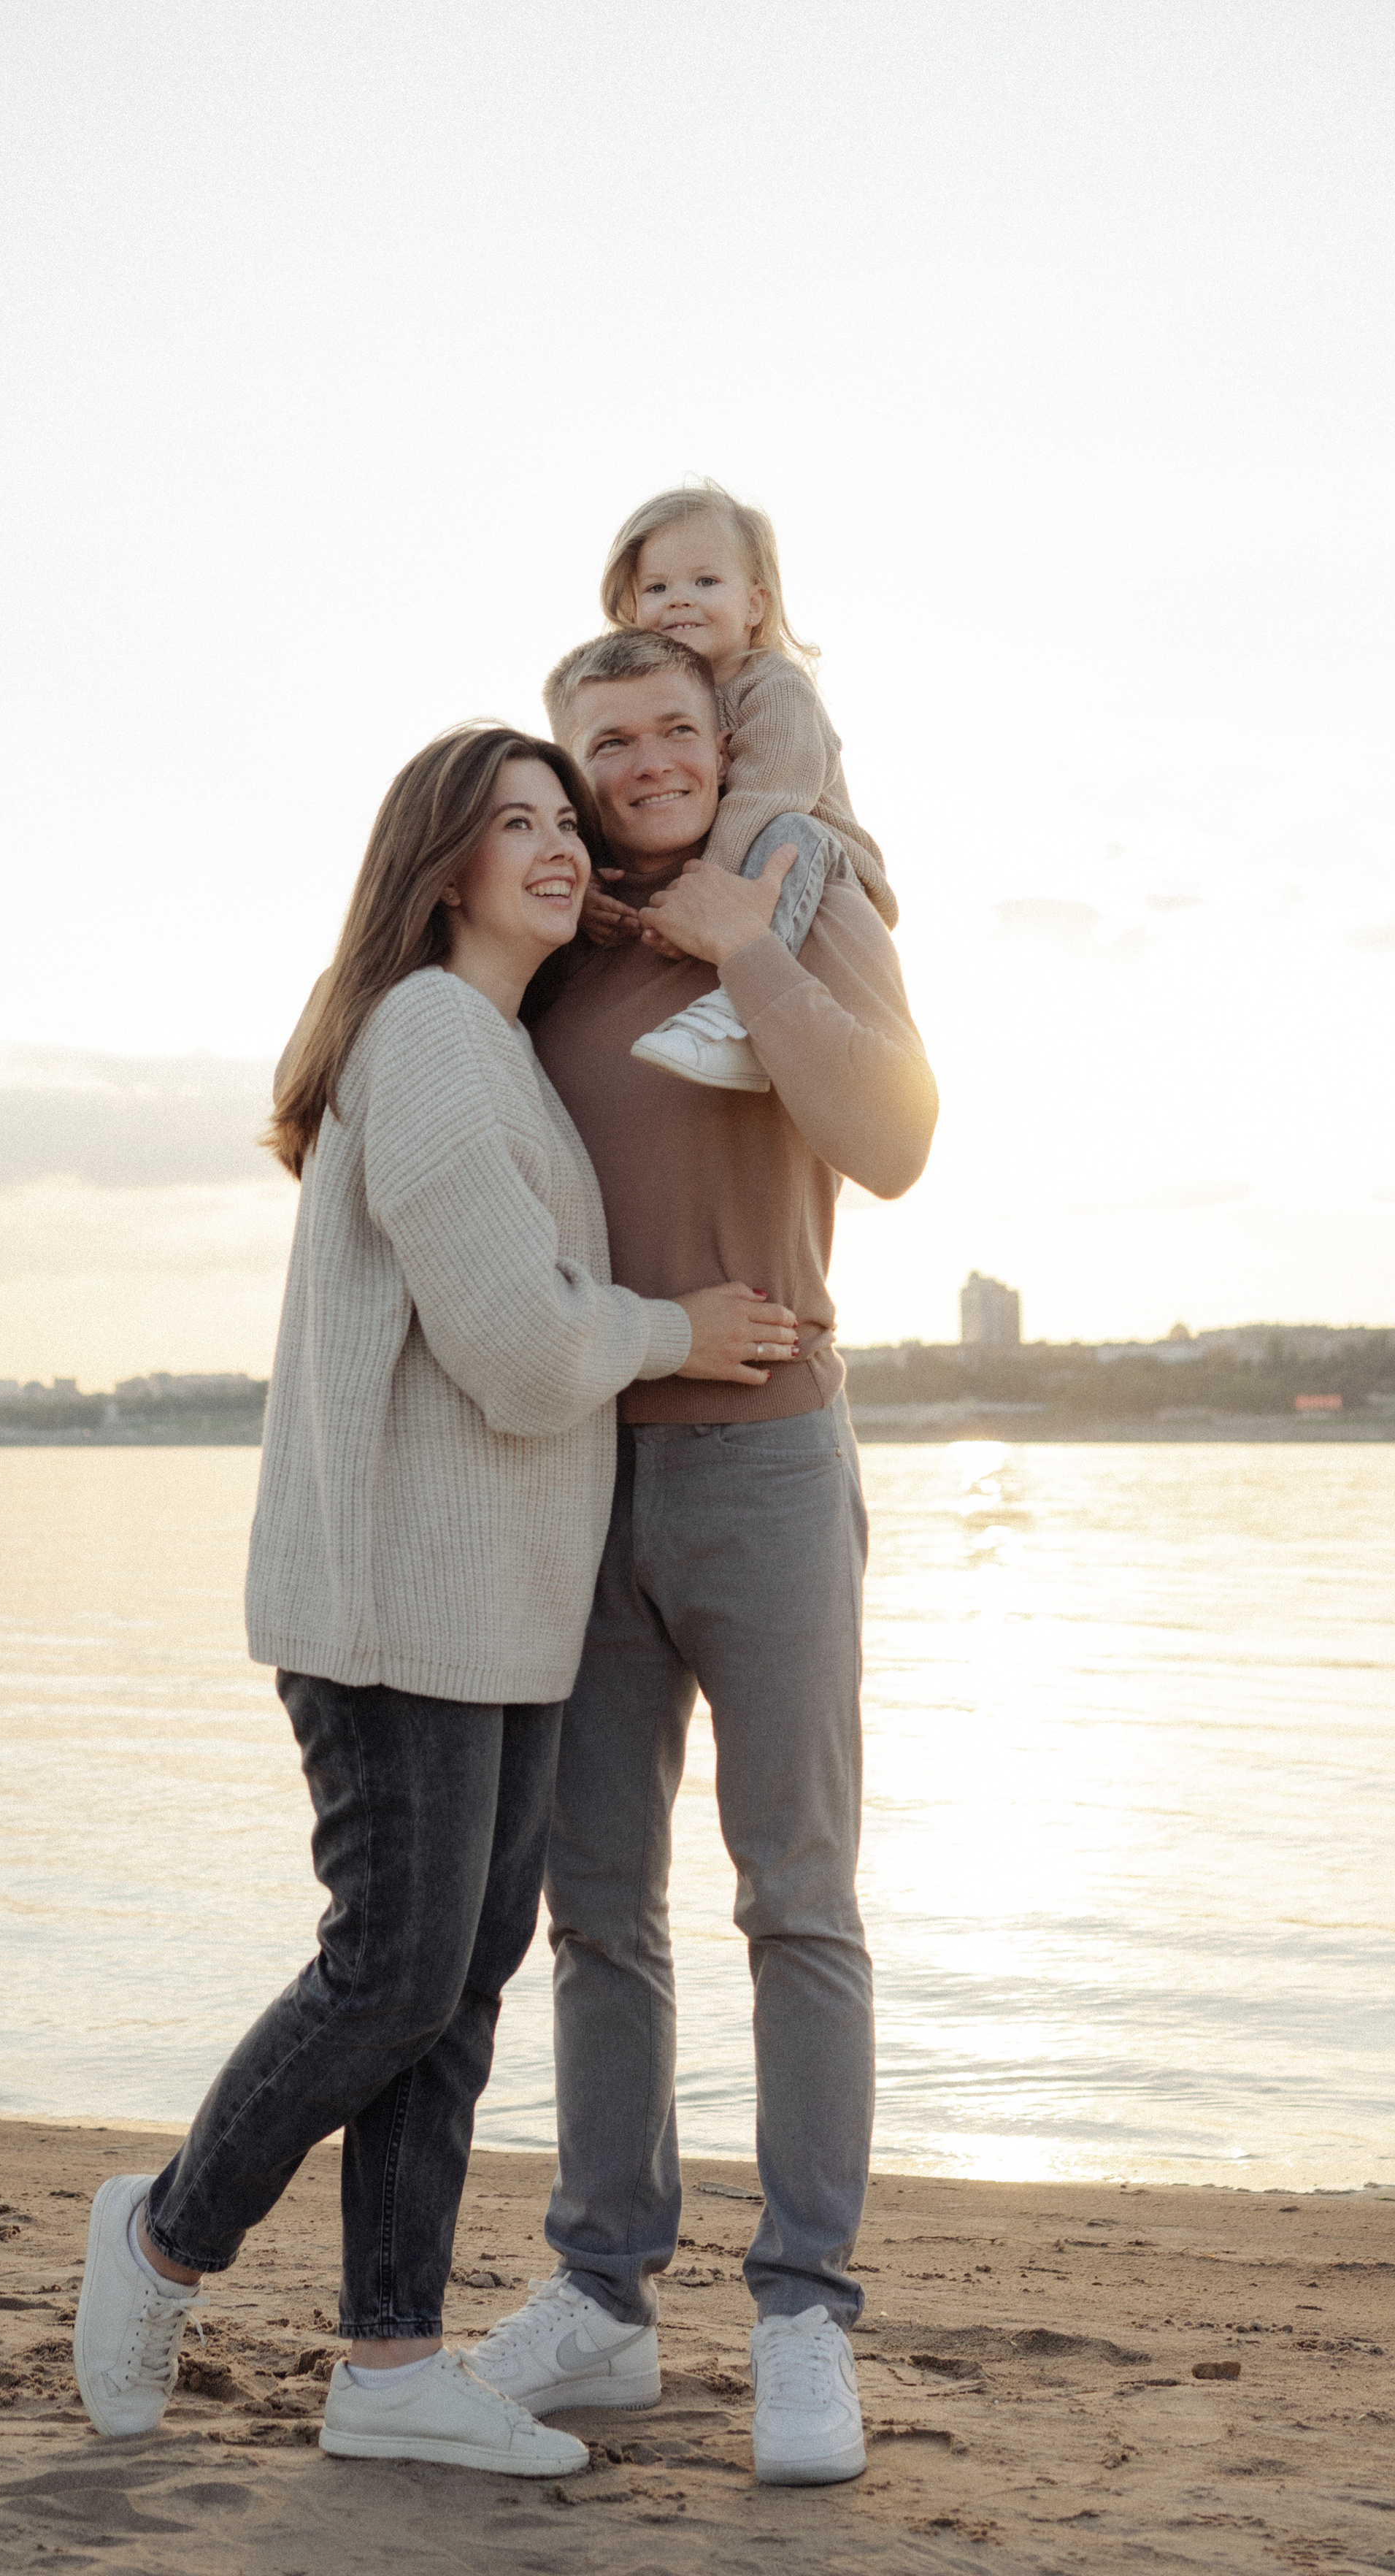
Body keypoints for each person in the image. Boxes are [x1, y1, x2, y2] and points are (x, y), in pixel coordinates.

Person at [71, 721, 800, 2477]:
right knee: (390, 1973)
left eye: (567, 820)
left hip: (499, 1615)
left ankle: (392, 2355)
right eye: (516, 824)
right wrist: (670, 1331)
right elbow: (517, 1340)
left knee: (456, 1984)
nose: (557, 845)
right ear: (440, 864)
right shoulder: (427, 1040)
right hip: (393, 1610)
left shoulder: (498, 1049)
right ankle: (162, 2229)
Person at [463, 633, 936, 2488]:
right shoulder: (552, 951)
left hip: (764, 1466)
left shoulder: (803, 893)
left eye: (674, 727)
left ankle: (805, 2311)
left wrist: (747, 938)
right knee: (597, 1911)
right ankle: (601, 2298)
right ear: (572, 768)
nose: (644, 757)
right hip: (577, 1477)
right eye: (609, 739)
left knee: (795, 1898)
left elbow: (893, 1140)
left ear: (715, 738)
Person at [582, 480, 898, 1094]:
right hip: (731, 869)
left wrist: (705, 895)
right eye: (657, 588)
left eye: (705, 583)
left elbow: (764, 795)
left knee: (789, 829)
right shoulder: (656, 701)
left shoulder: (774, 686)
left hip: (817, 862)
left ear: (755, 605)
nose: (679, 601)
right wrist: (590, 876)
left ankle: (735, 1015)